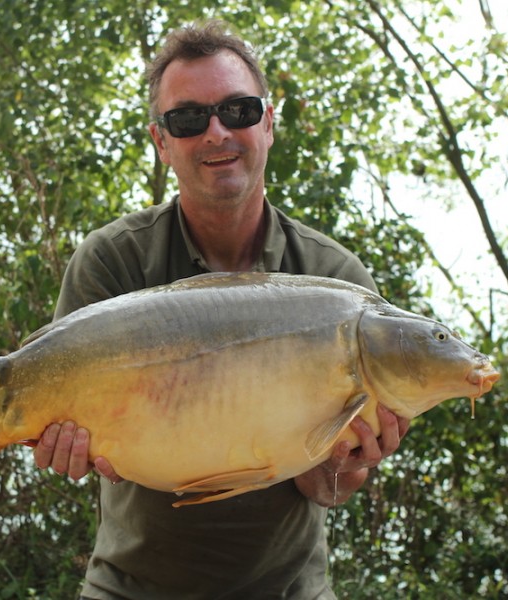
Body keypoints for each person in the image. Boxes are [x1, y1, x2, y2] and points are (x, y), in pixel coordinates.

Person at [32, 20, 410, 599]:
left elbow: (325, 488)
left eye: (238, 110)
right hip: (131, 586)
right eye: (188, 119)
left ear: (269, 122)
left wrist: (351, 461)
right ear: (162, 142)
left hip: (288, 590)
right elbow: (74, 433)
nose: (217, 133)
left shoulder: (337, 284)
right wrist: (61, 441)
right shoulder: (111, 261)